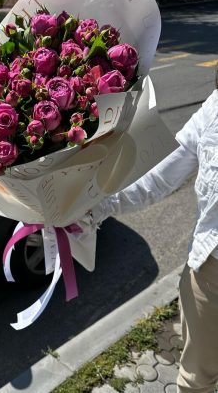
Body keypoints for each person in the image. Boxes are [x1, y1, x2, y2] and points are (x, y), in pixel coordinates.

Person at [90, 71, 218, 393]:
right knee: (196, 380)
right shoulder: (214, 109)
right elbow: (161, 175)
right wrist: (91, 205)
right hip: (209, 275)